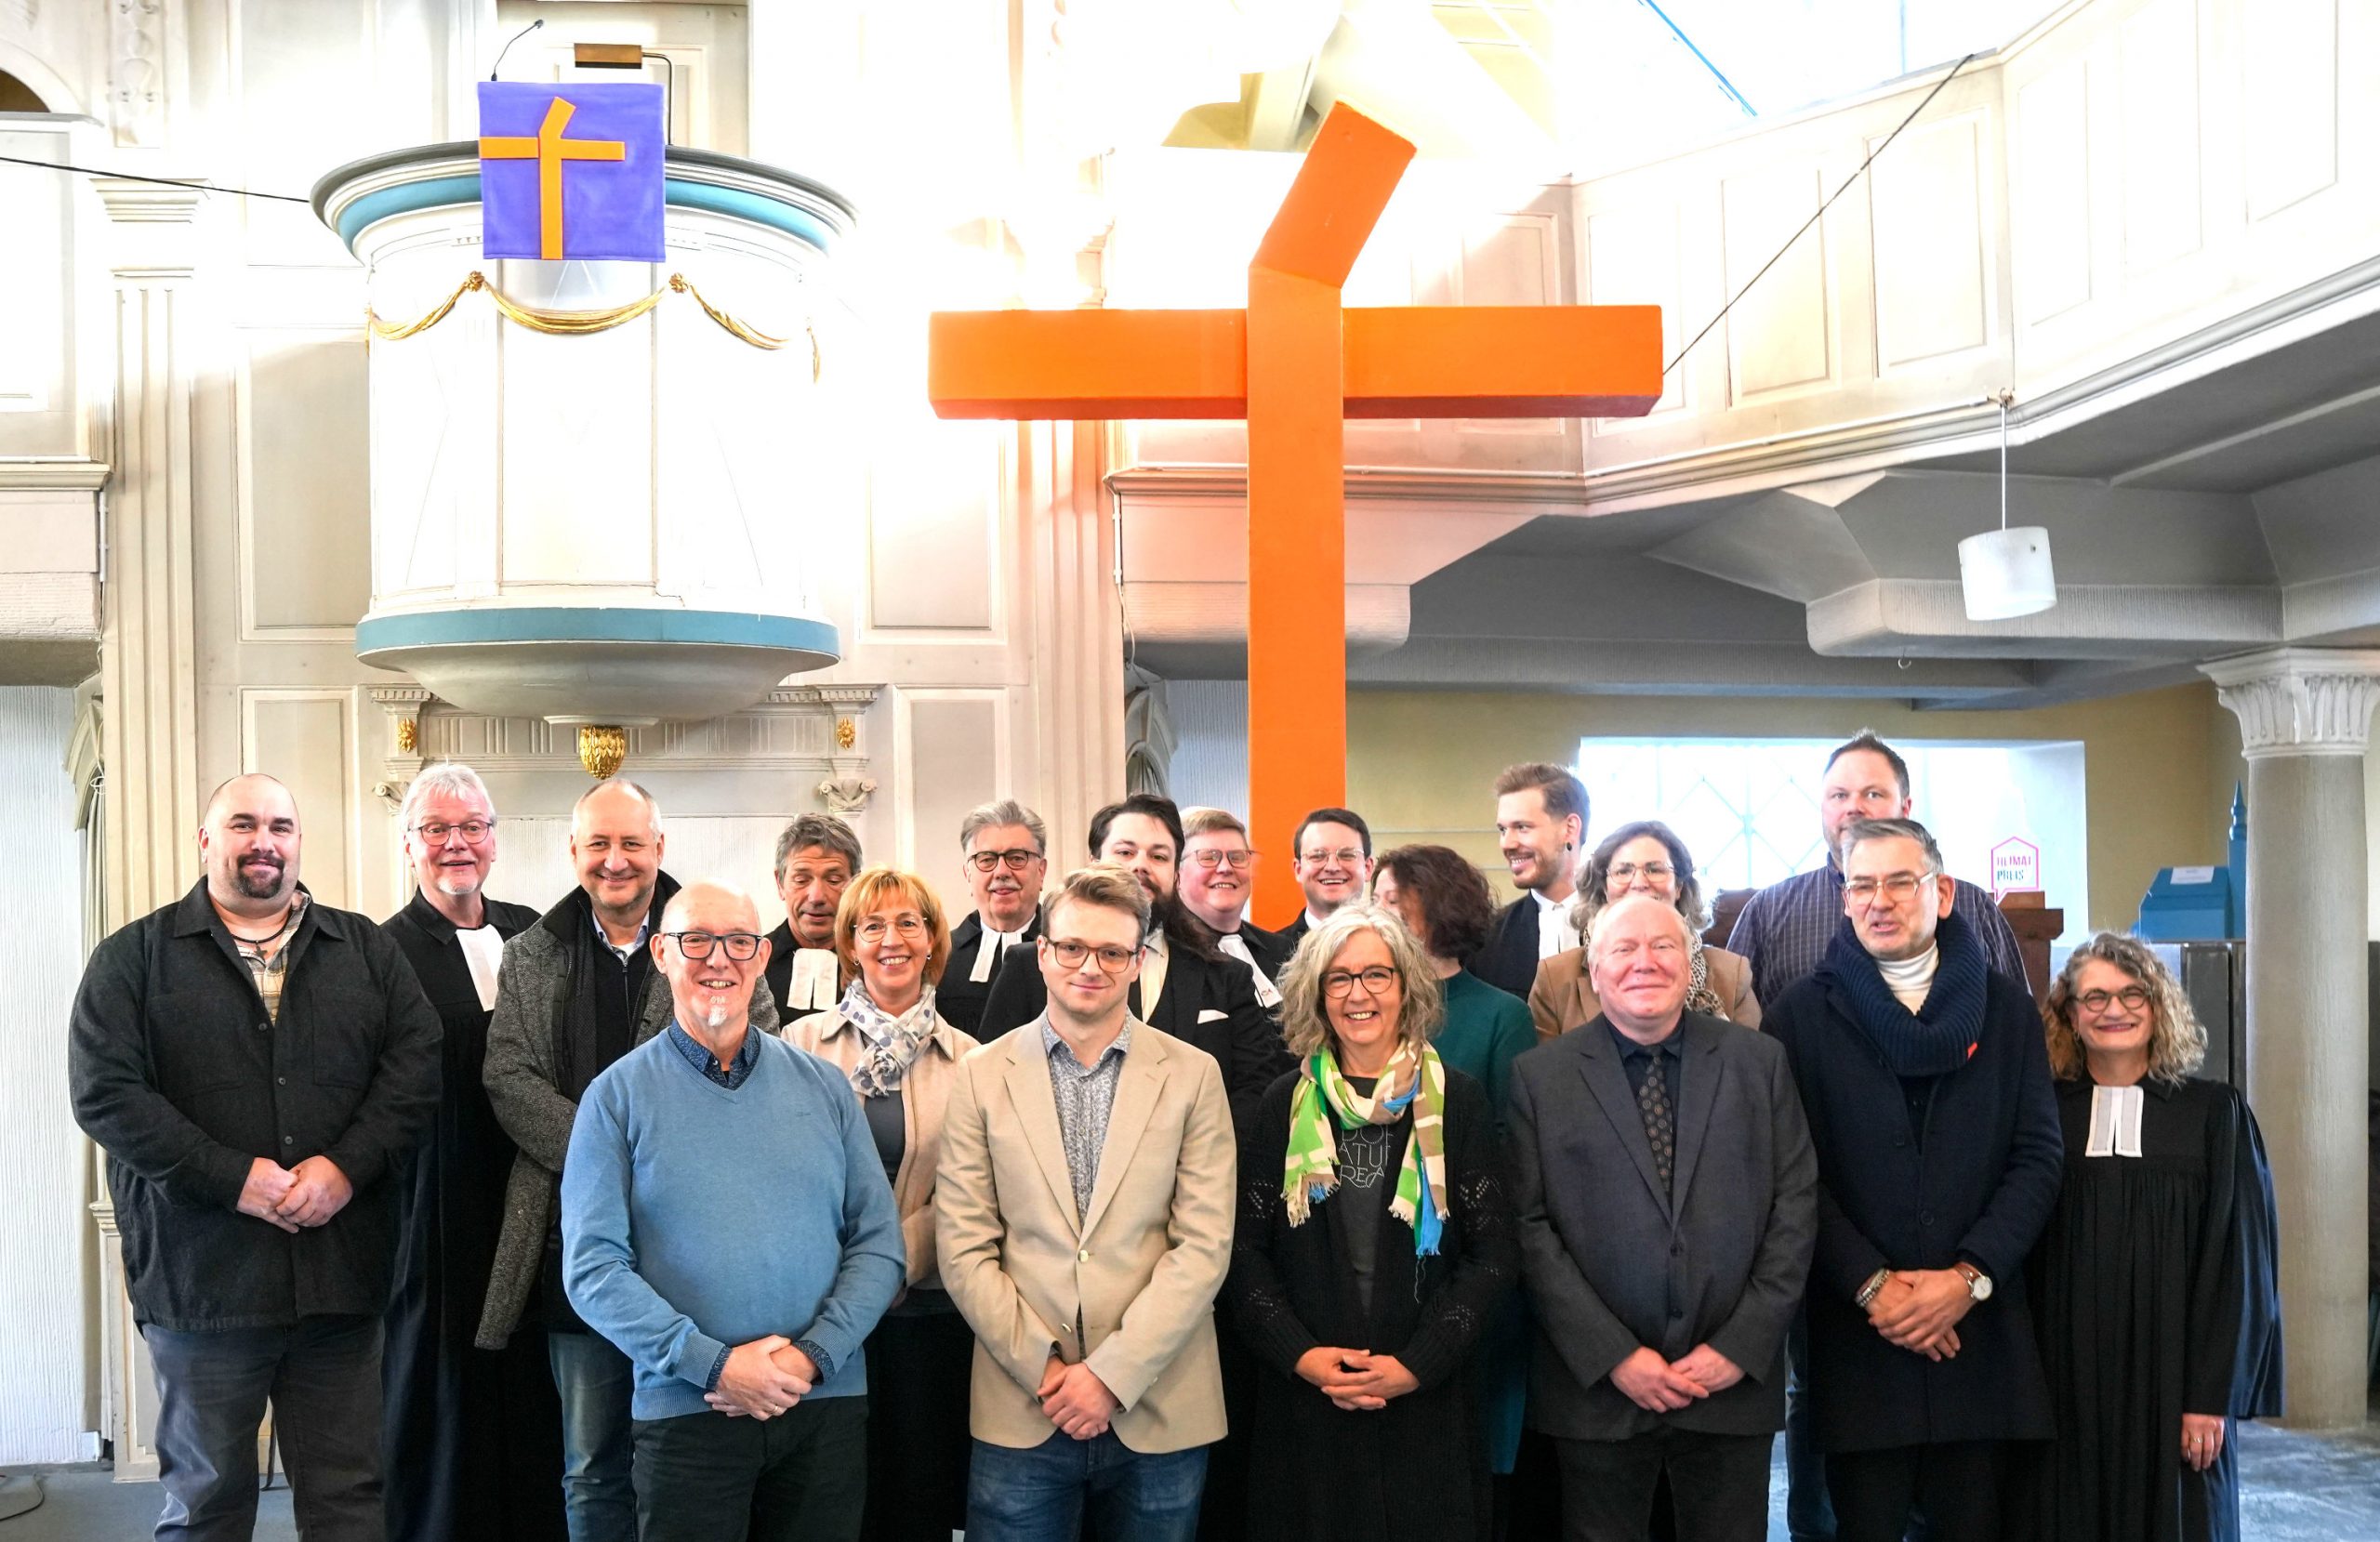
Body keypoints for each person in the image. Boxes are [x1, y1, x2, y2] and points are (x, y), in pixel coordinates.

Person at [69, 773, 441, 1541]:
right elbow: (106, 1094)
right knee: (206, 1504)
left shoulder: (366, 951)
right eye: (243, 824)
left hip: (341, 1280)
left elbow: (415, 1069)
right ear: (207, 840)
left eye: (280, 826)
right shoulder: (133, 958)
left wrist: (345, 1168)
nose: (263, 842)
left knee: (350, 1500)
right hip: (202, 1284)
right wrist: (231, 1177)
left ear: (299, 842)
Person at [1726, 731, 2027, 1542]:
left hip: (1977, 1316)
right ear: (1844, 894)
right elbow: (1792, 1166)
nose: (1880, 900)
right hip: (1852, 1314)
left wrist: (1968, 1277)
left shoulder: (2003, 1005)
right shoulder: (1798, 1005)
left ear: (1942, 891)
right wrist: (1872, 1285)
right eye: (1863, 885)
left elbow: (2034, 1152)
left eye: (1901, 882)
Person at [480, 780, 777, 1542]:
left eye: (632, 843)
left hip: (696, 1249)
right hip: (574, 1249)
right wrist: (606, 1155)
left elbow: (757, 1058)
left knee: (687, 1456)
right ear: (574, 851)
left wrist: (655, 1161)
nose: (615, 860)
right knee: (591, 1464)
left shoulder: (718, 937)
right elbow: (508, 1077)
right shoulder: (529, 955)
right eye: (599, 844)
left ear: (659, 848)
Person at [562, 881, 905, 1542]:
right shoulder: (614, 1098)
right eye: (696, 940)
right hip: (687, 1410)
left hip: (822, 1402)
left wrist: (811, 1357)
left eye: (739, 942)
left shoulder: (826, 1087)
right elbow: (592, 1270)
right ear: (662, 953)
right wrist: (714, 1364)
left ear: (761, 956)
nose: (718, 959)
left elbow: (879, 1245)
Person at [936, 863, 1238, 1542]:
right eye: (1072, 947)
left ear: (1138, 963)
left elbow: (1204, 1246)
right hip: (1024, 1402)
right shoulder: (980, 1076)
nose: (1090, 967)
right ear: (1042, 953)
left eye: (1111, 952)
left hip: (1161, 1401)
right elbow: (963, 1246)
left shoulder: (1194, 1075)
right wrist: (1047, 1371)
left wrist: (1111, 1376)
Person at [1507, 894, 1817, 1542]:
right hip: (1598, 1394)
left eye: (1663, 946)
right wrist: (1614, 1355)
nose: (1644, 962)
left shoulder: (1759, 1063)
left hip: (1731, 1387)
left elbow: (1795, 1203)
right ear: (1594, 971)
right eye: (1623, 948)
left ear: (1690, 962)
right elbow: (1529, 1228)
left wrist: (1739, 1346)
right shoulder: (1540, 1078)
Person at [1224, 903, 1519, 1541]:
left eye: (1376, 975)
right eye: (1339, 978)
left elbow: (1493, 1254)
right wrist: (1302, 1356)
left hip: (1428, 1401)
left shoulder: (1459, 1100)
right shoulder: (1282, 1104)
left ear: (1406, 986)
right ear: (1317, 994)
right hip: (1307, 1406)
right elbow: (1245, 1254)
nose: (1358, 994)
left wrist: (1418, 1363)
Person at [2029, 935, 2282, 1542]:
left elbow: (2240, 1264)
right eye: (2094, 997)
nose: (2113, 1009)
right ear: (2069, 1014)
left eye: (2131, 993)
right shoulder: (2041, 1114)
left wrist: (2211, 1396)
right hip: (2063, 1379)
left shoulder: (2213, 1113)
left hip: (2175, 1382)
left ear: (2158, 1003)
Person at [378, 764, 563, 1542]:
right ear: (409, 844)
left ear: (494, 840)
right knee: (448, 1378)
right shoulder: (382, 951)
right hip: (440, 1198)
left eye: (472, 827)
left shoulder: (536, 932)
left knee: (536, 1377)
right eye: (437, 829)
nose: (457, 843)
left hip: (538, 1188)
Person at [783, 867, 984, 1541]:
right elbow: (787, 1171)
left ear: (932, 941)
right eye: (872, 926)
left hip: (928, 1308)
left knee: (919, 1496)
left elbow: (974, 1190)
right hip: (825, 1306)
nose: (890, 939)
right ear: (849, 943)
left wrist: (894, 1264)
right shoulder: (798, 1047)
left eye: (907, 923)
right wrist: (858, 1274)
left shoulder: (974, 1060)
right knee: (830, 1496)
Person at [978, 794, 1289, 1119]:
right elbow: (995, 1080)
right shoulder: (1029, 967)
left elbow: (1252, 1089)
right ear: (1094, 863)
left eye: (1158, 856)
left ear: (1176, 873)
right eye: (1125, 852)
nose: (1140, 865)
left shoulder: (1226, 975)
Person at [1726, 730, 2028, 1009]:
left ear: (1905, 808)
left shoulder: (1972, 905)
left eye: (1873, 794)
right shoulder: (1767, 912)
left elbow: (2014, 1016)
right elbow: (1733, 1032)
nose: (1854, 807)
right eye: (1839, 795)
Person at [1528, 822, 1759, 1042]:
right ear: (1604, 888)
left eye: (1655, 869)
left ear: (1679, 886)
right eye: (1623, 871)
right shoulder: (1555, 978)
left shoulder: (1733, 974)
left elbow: (1752, 1062)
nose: (1639, 883)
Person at [1474, 763, 1588, 998]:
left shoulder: (1623, 926)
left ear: (1570, 829)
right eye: (1503, 830)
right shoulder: (1486, 938)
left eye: (1522, 827)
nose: (1507, 843)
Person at [941, 800, 1050, 1036]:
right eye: (986, 859)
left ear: (1041, 871)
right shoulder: (938, 955)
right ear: (968, 874)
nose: (1001, 872)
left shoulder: (1065, 953)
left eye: (1017, 858)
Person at [1179, 807, 1292, 1010]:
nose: (1225, 868)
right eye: (1209, 857)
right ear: (1176, 874)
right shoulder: (1167, 958)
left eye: (1237, 857)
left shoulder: (1283, 951)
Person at [764, 812, 863, 1014]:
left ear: (856, 885)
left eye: (834, 880)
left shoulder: (876, 963)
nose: (816, 897)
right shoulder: (753, 964)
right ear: (780, 883)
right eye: (801, 880)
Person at [1276, 808, 1376, 947]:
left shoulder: (1393, 949)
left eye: (1347, 855)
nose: (1332, 867)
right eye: (1317, 856)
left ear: (1368, 868)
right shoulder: (1269, 954)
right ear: (1298, 869)